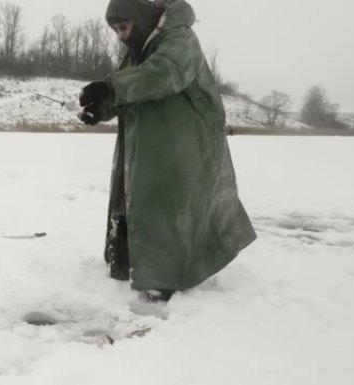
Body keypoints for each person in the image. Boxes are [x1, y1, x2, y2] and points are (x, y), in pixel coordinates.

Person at [78, 0, 256, 301]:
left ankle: (168, 278)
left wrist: (110, 89)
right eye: (116, 31)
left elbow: (162, 74)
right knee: (137, 200)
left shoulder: (179, 38)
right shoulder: (137, 53)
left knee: (174, 208)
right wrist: (101, 108)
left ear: (139, 17)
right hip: (146, 144)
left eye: (124, 27)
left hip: (186, 143)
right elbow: (128, 91)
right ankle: (131, 265)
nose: (121, 36)